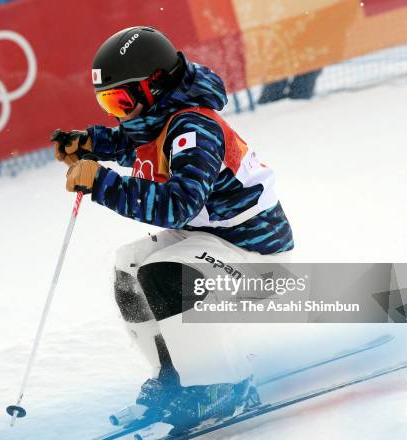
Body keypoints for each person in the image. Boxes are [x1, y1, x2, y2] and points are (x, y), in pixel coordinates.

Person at [52, 26, 294, 433]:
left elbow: (176, 206)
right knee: (128, 266)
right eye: (109, 103)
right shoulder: (163, 120)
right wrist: (90, 143)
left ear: (156, 86)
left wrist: (102, 183)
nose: (119, 113)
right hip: (213, 240)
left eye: (124, 100)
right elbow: (137, 144)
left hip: (257, 257)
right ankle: (175, 378)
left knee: (165, 272)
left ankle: (225, 383)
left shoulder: (195, 131)